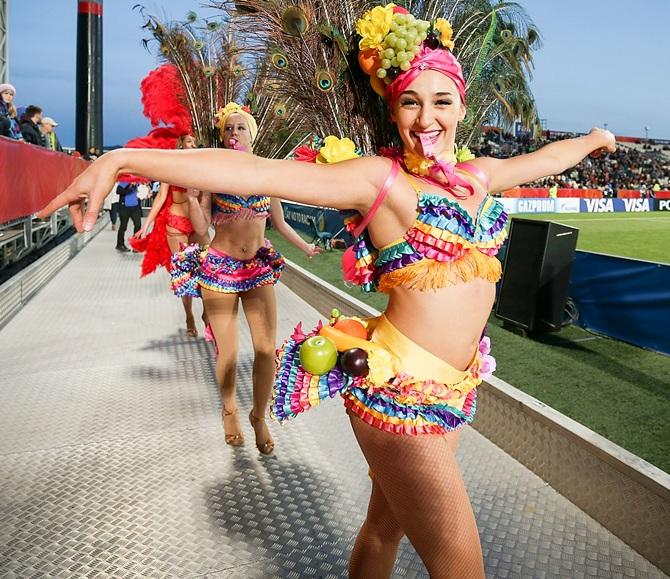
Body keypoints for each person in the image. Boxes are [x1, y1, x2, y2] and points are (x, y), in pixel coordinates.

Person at [38, 7, 615, 576]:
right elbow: (256, 172)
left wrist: (592, 140)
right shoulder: (378, 182)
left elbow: (544, 158)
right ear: (392, 110)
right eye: (411, 102)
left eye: (442, 101)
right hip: (399, 394)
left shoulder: (481, 177)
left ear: (463, 104)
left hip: (453, 388)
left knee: (384, 530)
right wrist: (120, 159)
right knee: (463, 569)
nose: (427, 118)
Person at [173, 102, 320, 454]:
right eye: (228, 129)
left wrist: (306, 247)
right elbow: (202, 228)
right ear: (221, 137)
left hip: (256, 269)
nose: (234, 133)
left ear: (252, 135)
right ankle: (229, 411)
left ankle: (258, 415)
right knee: (229, 351)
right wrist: (194, 199)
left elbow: (280, 223)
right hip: (220, 269)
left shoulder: (267, 175)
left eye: (241, 128)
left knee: (266, 349)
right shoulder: (211, 175)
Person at [130, 134, 210, 338]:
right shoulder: (171, 166)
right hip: (176, 224)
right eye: (189, 140)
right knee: (184, 274)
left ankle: (207, 312)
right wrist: (146, 224)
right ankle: (189, 315)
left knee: (209, 268)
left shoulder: (205, 164)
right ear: (181, 143)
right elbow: (160, 196)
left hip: (197, 223)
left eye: (195, 141)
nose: (193, 144)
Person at [115, 181, 142, 252]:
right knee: (123, 226)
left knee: (138, 225)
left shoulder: (137, 181)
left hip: (135, 206)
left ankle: (136, 245)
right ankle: (120, 244)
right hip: (124, 206)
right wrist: (130, 186)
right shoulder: (125, 181)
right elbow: (118, 191)